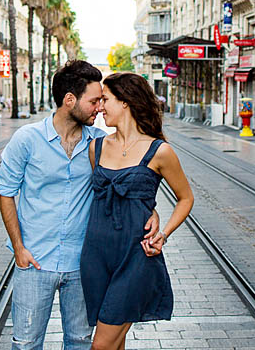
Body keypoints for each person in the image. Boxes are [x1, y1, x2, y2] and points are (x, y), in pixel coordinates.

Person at [0, 60, 160, 350]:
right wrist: (19, 248)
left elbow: (127, 182)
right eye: (94, 100)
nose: (100, 107)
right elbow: (5, 192)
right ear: (70, 100)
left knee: (81, 343)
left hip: (84, 264)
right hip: (35, 262)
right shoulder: (27, 140)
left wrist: (153, 211)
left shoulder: (99, 143)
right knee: (25, 344)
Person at [81, 72, 194, 350]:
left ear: (125, 102)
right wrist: (149, 208)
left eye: (105, 100)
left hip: (136, 256)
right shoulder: (95, 147)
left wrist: (163, 233)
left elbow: (186, 198)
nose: (100, 107)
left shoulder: (160, 151)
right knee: (115, 342)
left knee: (101, 345)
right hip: (95, 255)